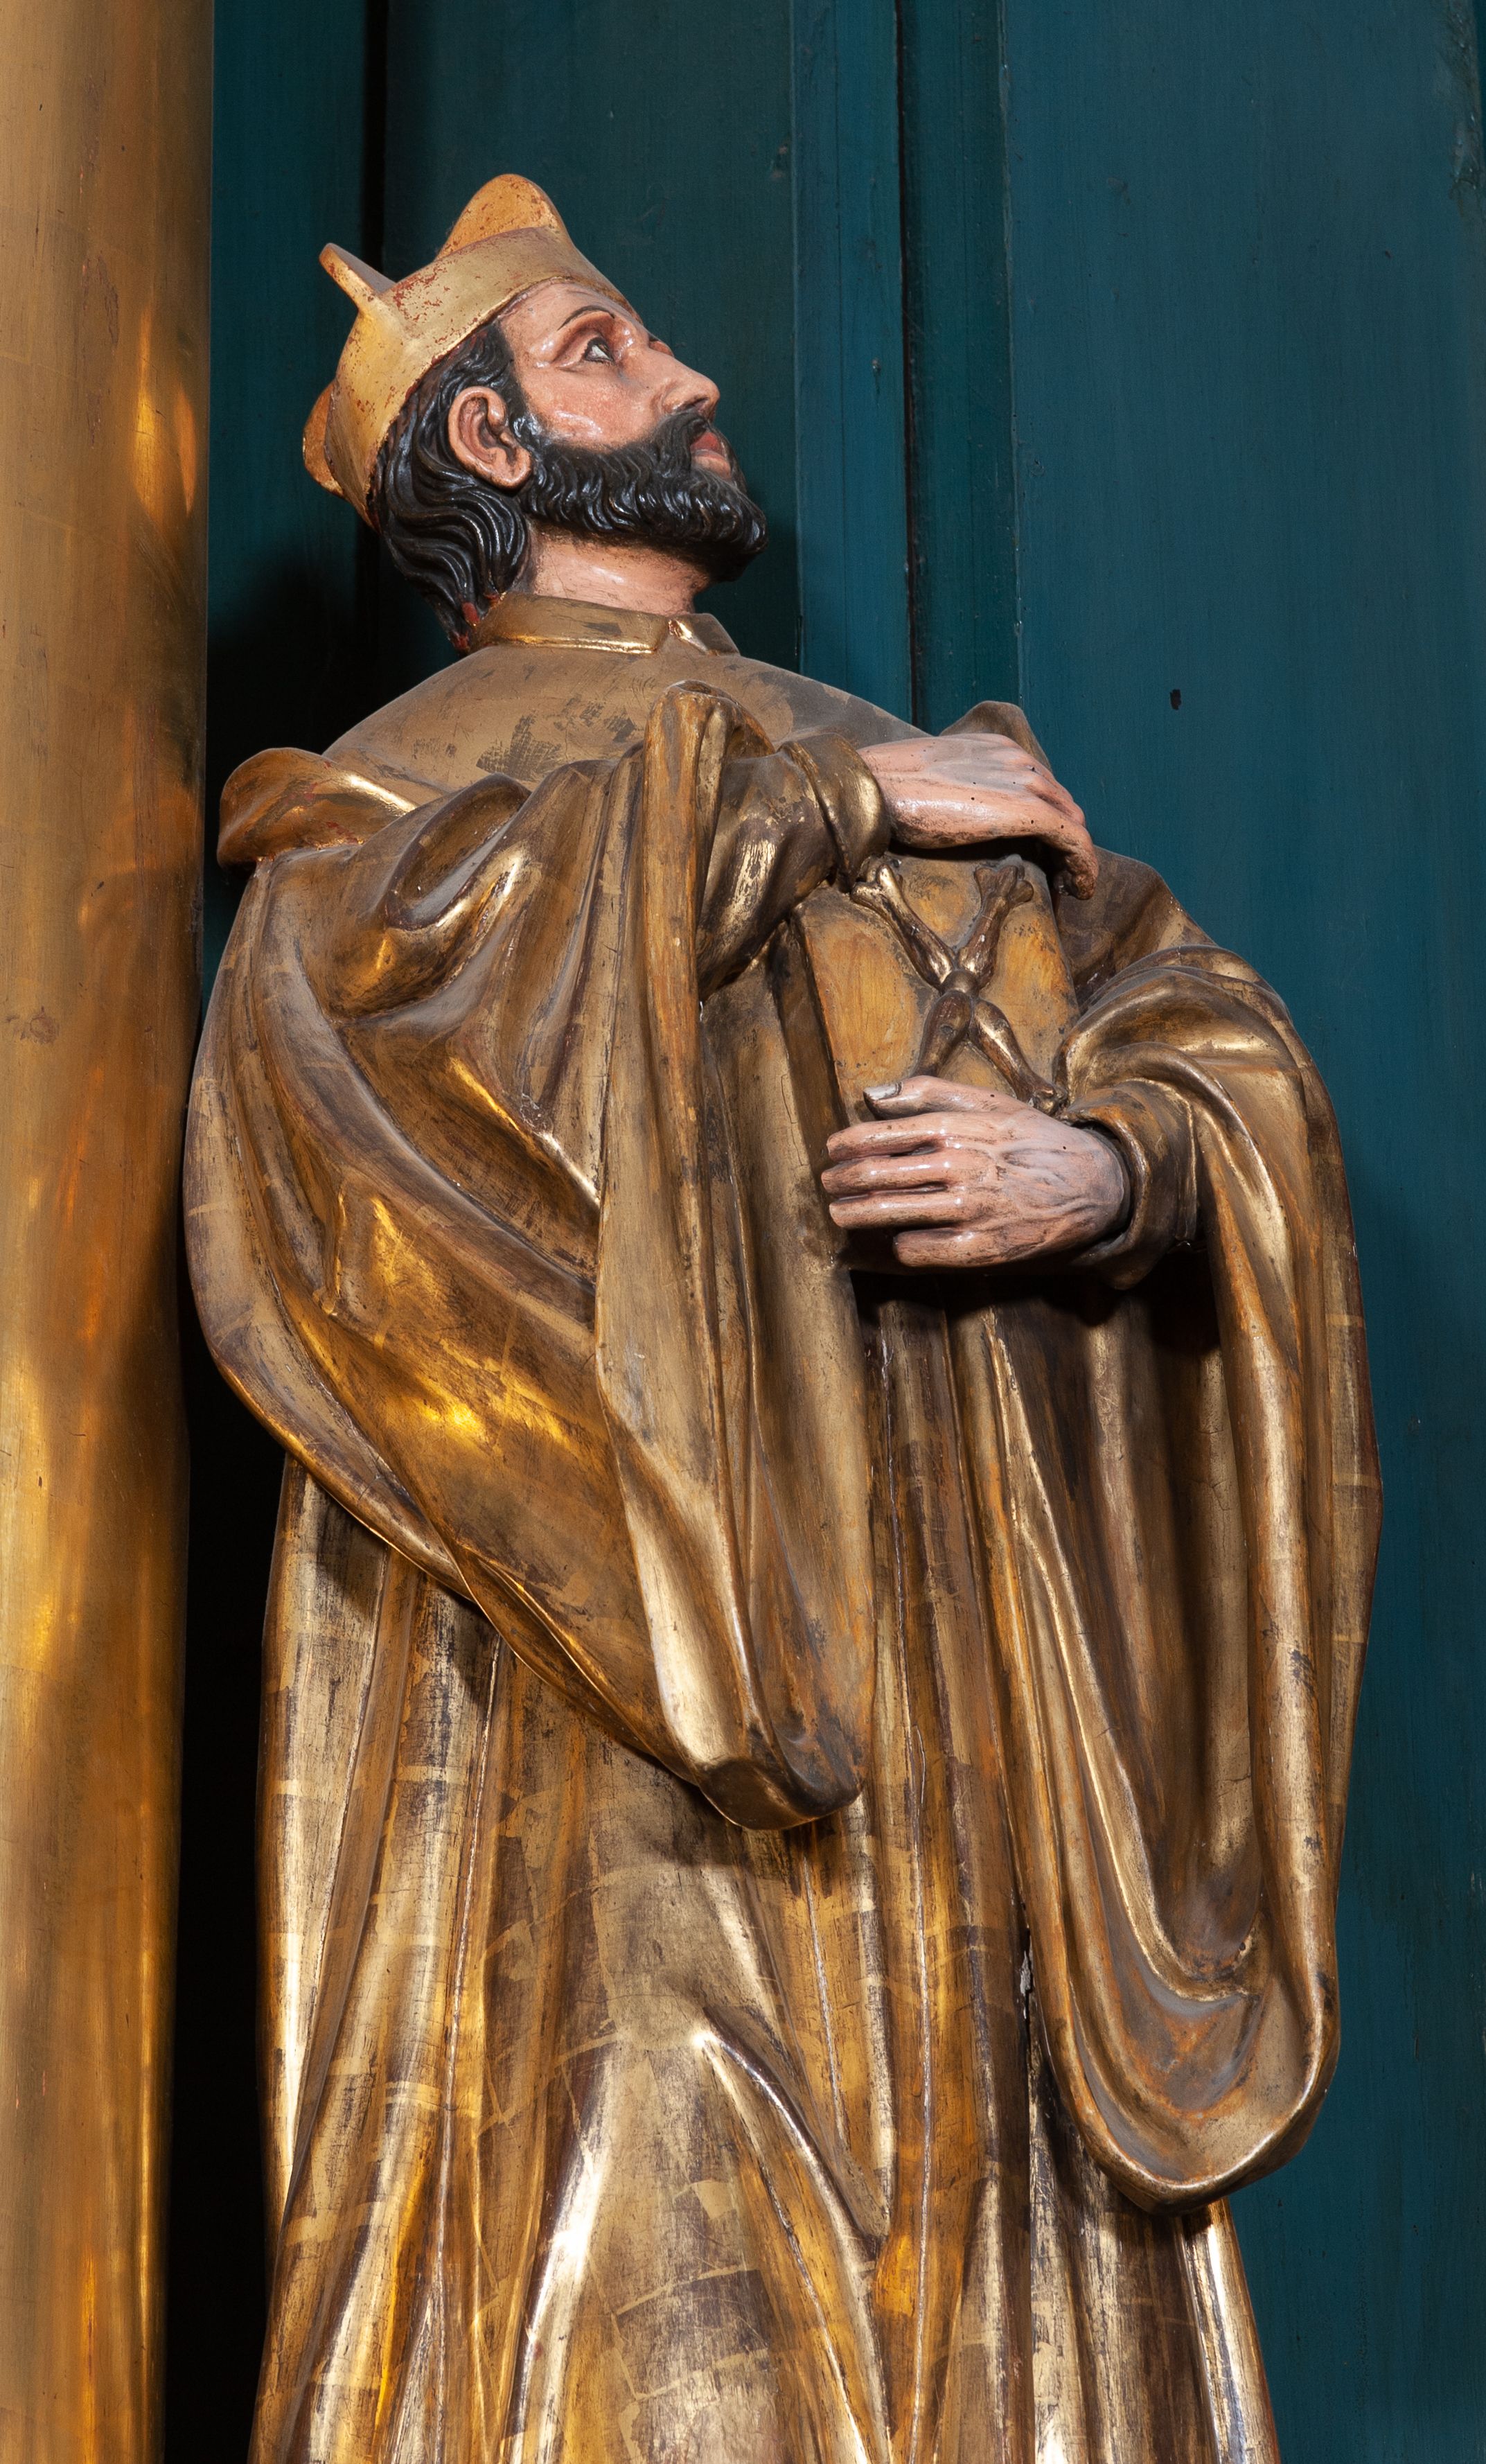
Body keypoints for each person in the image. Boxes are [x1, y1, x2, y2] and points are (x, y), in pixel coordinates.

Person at [186, 175, 1379, 2463]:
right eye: (607, 352)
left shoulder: (932, 764)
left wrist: (1107, 1169)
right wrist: (822, 805)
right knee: (647, 2257)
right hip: (618, 1686)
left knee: (983, 2247)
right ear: (492, 445)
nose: (694, 377)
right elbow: (372, 1074)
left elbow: (1186, 1022)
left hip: (963, 1666)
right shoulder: (409, 793)